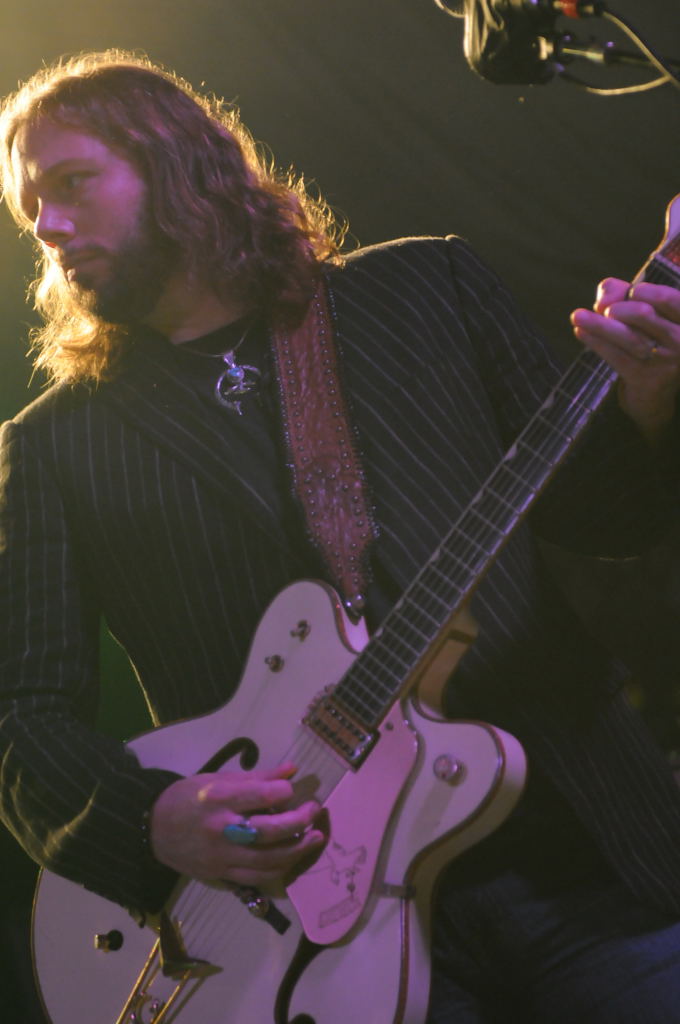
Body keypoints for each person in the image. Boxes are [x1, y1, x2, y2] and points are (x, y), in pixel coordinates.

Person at [1, 50, 680, 1024]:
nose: (47, 226)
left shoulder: (424, 290)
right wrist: (148, 820)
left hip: (581, 858)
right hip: (316, 944)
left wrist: (648, 406)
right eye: (31, 209)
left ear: (178, 162)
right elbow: (20, 716)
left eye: (71, 183)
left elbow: (601, 519)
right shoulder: (55, 446)